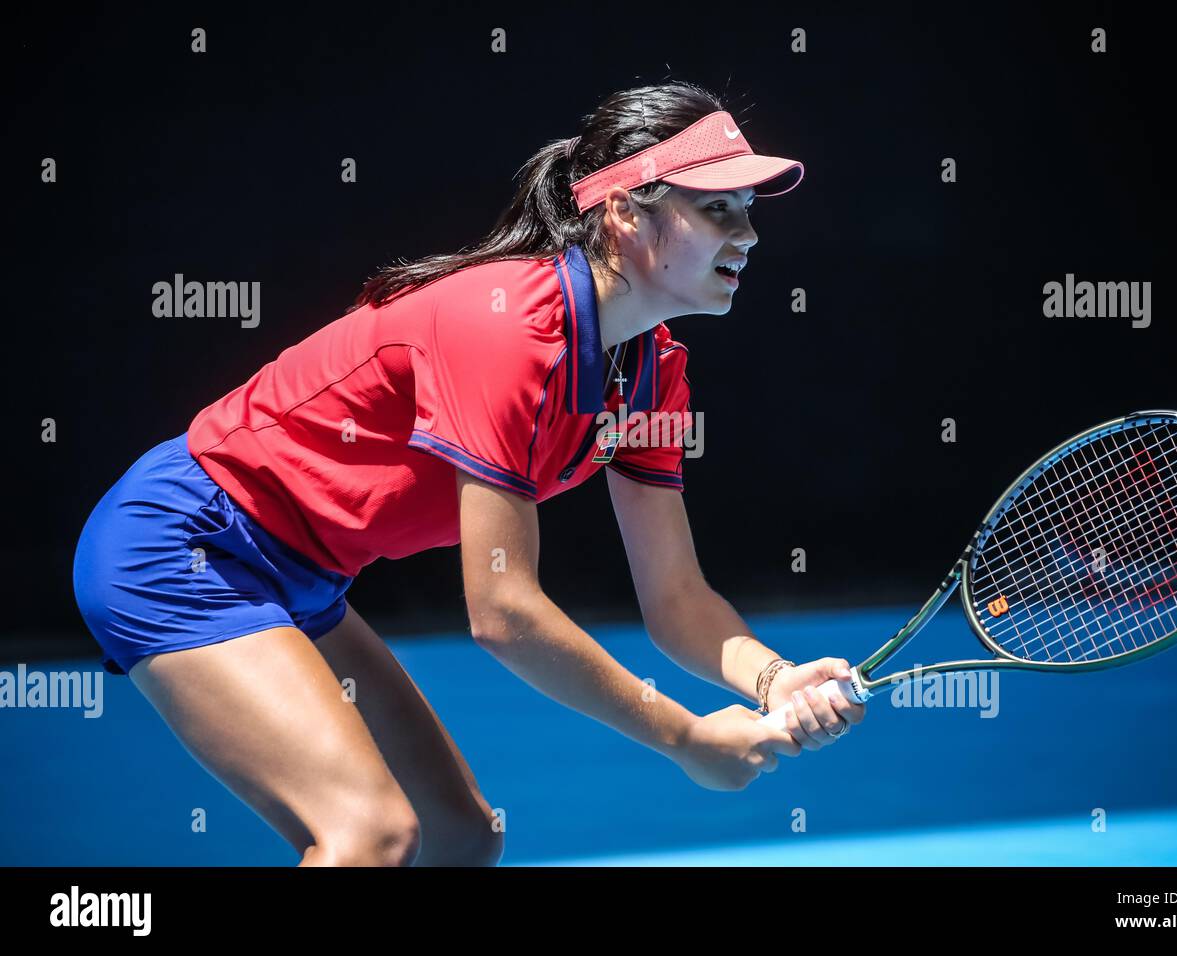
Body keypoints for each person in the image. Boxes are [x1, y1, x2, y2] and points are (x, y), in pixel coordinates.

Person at [72, 80, 865, 868]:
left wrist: (775, 680)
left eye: (750, 208)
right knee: (371, 837)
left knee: (462, 838)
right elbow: (503, 611)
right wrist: (684, 737)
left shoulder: (655, 373)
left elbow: (677, 598)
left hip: (306, 576)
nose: (750, 234)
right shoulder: (506, 330)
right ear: (627, 210)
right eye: (717, 208)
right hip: (185, 546)